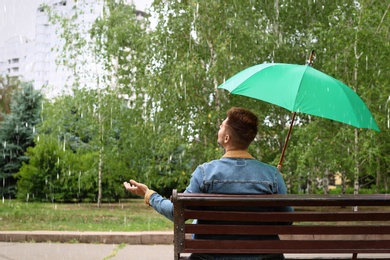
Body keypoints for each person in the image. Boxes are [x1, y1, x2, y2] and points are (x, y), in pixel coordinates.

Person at [124, 107, 293, 260]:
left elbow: (177, 213)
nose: (218, 128)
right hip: (263, 257)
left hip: (210, 256)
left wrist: (149, 195)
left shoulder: (205, 173)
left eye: (221, 126)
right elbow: (286, 221)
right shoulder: (272, 175)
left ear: (227, 137)